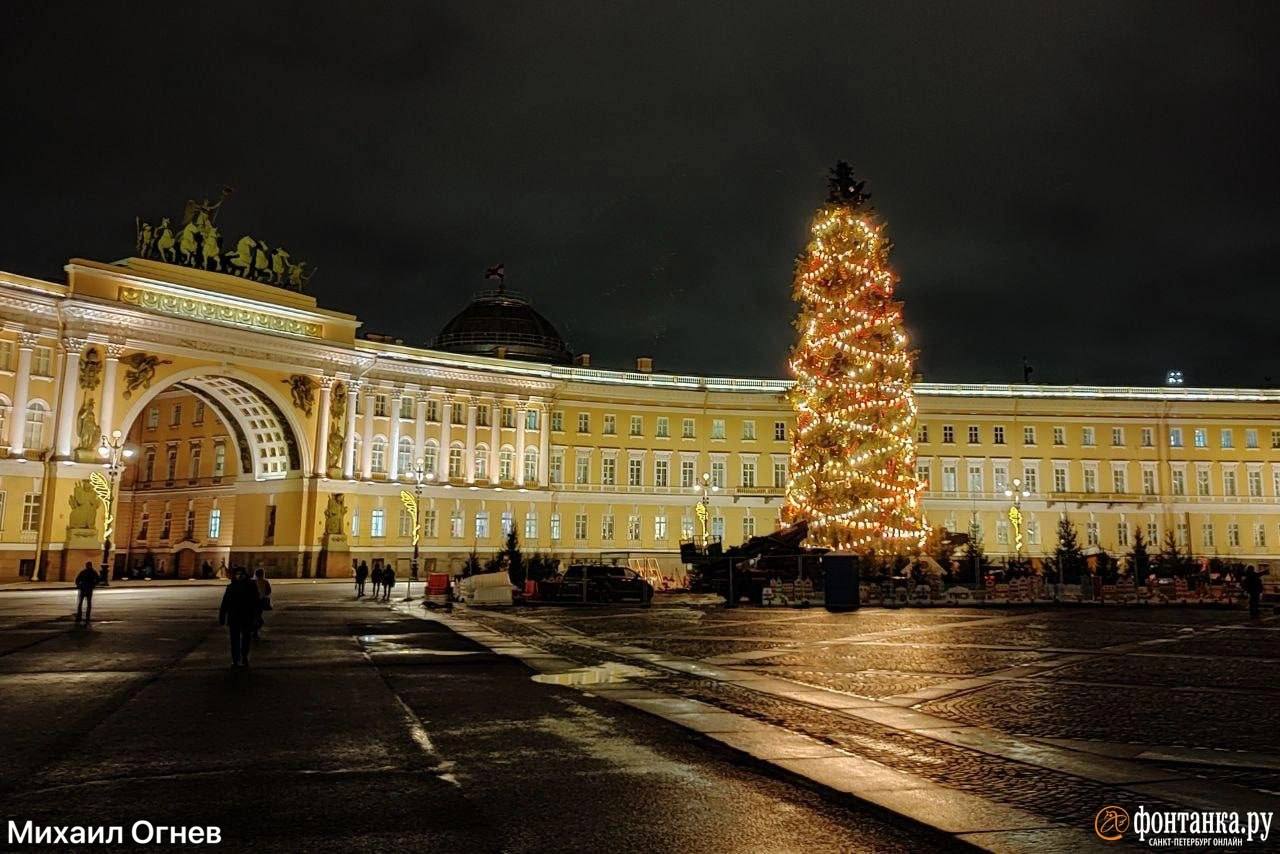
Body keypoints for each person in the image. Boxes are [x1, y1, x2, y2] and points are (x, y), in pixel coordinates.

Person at [219, 568, 262, 667]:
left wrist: (256, 616)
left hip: (246, 616)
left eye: (241, 574)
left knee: (245, 638)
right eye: (237, 574)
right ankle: (235, 659)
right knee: (234, 640)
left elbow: (256, 602)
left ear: (245, 575)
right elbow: (225, 602)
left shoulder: (251, 586)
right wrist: (222, 616)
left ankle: (244, 657)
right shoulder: (231, 587)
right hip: (234, 617)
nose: (239, 576)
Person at [252, 568, 273, 638]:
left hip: (253, 601)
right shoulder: (265, 581)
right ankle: (255, 631)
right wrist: (263, 594)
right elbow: (269, 591)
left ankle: (254, 630)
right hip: (261, 601)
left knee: (255, 616)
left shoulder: (252, 581)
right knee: (258, 615)